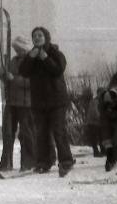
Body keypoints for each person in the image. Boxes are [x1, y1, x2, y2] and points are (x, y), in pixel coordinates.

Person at [18, 26, 75, 177]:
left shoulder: (55, 53)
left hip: (57, 101)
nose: (36, 38)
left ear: (46, 37)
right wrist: (31, 57)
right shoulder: (32, 55)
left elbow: (59, 69)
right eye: (34, 36)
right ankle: (44, 162)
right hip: (39, 102)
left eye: (40, 35)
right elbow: (23, 71)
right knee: (41, 133)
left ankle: (66, 161)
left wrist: (45, 58)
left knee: (59, 131)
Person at [0, 35, 34, 172]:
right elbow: (7, 78)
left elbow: (33, 82)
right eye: (16, 48)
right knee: (7, 132)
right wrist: (3, 74)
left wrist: (14, 79)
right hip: (11, 102)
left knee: (26, 133)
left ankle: (28, 162)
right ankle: (6, 162)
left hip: (26, 103)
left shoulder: (32, 62)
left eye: (20, 48)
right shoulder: (13, 60)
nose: (18, 51)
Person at [86, 87, 104, 158]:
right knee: (95, 138)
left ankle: (102, 151)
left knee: (101, 137)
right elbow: (95, 112)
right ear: (98, 93)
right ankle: (96, 152)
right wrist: (101, 118)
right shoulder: (95, 101)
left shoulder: (99, 101)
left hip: (96, 122)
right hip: (93, 122)